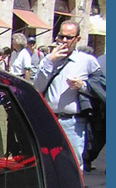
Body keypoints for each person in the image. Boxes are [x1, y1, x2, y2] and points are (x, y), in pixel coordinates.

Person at [34, 19, 102, 168]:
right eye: (61, 36)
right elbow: (38, 86)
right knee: (48, 163)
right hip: (50, 118)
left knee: (73, 165)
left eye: (69, 37)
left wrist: (82, 86)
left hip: (73, 123)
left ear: (77, 39)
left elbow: (101, 87)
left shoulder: (87, 61)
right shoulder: (49, 59)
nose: (64, 41)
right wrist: (50, 61)